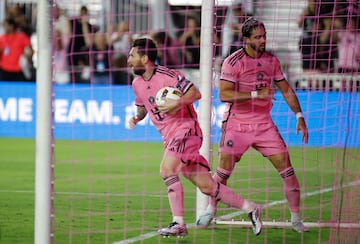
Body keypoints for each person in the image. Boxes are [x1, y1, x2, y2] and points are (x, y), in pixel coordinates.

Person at [127, 37, 263, 237]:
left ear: (145, 58)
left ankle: (178, 224)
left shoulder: (168, 75)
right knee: (207, 186)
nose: (128, 60)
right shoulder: (136, 83)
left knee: (167, 170)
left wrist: (177, 103)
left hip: (186, 129)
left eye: (132, 56)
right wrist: (137, 118)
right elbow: (142, 107)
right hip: (170, 136)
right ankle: (251, 208)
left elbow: (196, 94)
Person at [196, 17, 309, 233]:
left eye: (264, 36)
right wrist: (257, 93)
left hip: (263, 124)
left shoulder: (271, 61)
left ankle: (296, 219)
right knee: (223, 172)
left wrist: (299, 116)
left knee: (287, 168)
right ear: (246, 39)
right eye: (257, 37)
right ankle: (211, 210)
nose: (263, 40)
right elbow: (225, 94)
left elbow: (285, 89)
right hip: (237, 124)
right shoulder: (233, 61)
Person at [0, 17, 33, 81]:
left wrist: (27, 55)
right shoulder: (2, 38)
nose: (4, 27)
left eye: (5, 25)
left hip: (18, 70)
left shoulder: (22, 37)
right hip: (4, 70)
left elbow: (30, 50)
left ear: (11, 26)